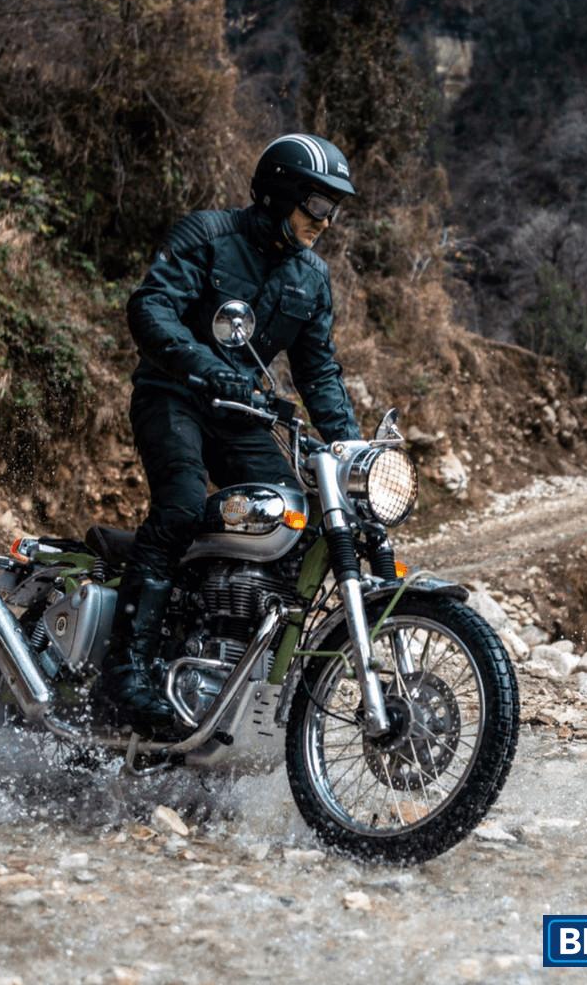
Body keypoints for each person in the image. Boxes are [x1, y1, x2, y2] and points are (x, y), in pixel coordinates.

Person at [101, 133, 362, 731]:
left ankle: (236, 661)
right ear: (279, 193)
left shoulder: (311, 278)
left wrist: (349, 448)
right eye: (317, 204)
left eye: (334, 209)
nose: (326, 220)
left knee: (293, 520)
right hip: (174, 396)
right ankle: (127, 669)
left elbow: (319, 372)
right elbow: (151, 307)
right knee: (182, 505)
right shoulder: (208, 235)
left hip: (244, 418)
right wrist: (205, 366)